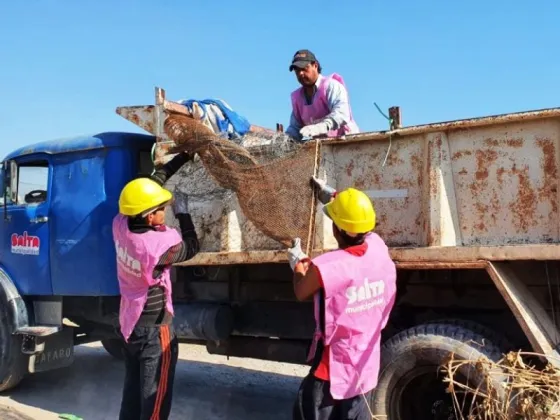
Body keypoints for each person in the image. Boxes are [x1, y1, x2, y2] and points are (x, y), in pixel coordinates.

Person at [287, 177, 397, 420]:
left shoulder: (328, 266)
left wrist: (297, 264)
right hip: (362, 370)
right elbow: (361, 225)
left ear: (336, 229)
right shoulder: (378, 247)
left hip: (331, 371)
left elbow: (301, 291)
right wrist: (332, 196)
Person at [112, 152, 200, 420]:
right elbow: (192, 247)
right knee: (155, 398)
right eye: (162, 208)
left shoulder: (121, 225)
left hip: (131, 323)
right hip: (154, 331)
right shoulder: (157, 248)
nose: (165, 210)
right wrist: (184, 214)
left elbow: (151, 183)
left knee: (133, 392)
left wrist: (182, 158)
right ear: (150, 217)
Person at [286, 49, 360, 142]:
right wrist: (285, 139)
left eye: (304, 68)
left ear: (315, 66)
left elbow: (342, 114)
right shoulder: (298, 98)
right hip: (322, 147)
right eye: (297, 70)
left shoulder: (331, 86)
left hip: (346, 143)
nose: (300, 73)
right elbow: (295, 128)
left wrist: (320, 127)